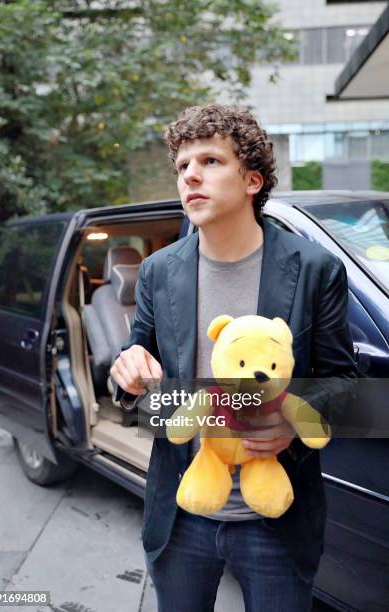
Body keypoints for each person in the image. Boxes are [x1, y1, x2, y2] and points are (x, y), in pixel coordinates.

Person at [110, 104, 356, 611]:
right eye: (181, 166)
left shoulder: (314, 268)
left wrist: (292, 424)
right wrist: (127, 371)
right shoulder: (159, 272)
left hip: (276, 520)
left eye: (210, 161)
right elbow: (140, 380)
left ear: (251, 180)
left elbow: (345, 384)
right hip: (182, 512)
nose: (190, 175)